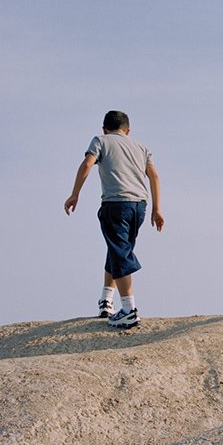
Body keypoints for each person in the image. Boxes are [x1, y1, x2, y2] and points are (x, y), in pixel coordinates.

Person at [64, 110, 164, 329]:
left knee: (120, 253)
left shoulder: (101, 140)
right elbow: (154, 176)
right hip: (139, 206)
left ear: (104, 129)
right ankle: (106, 301)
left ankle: (129, 310)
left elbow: (87, 164)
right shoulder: (141, 147)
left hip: (115, 203)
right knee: (117, 249)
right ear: (128, 131)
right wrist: (157, 209)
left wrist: (74, 194)